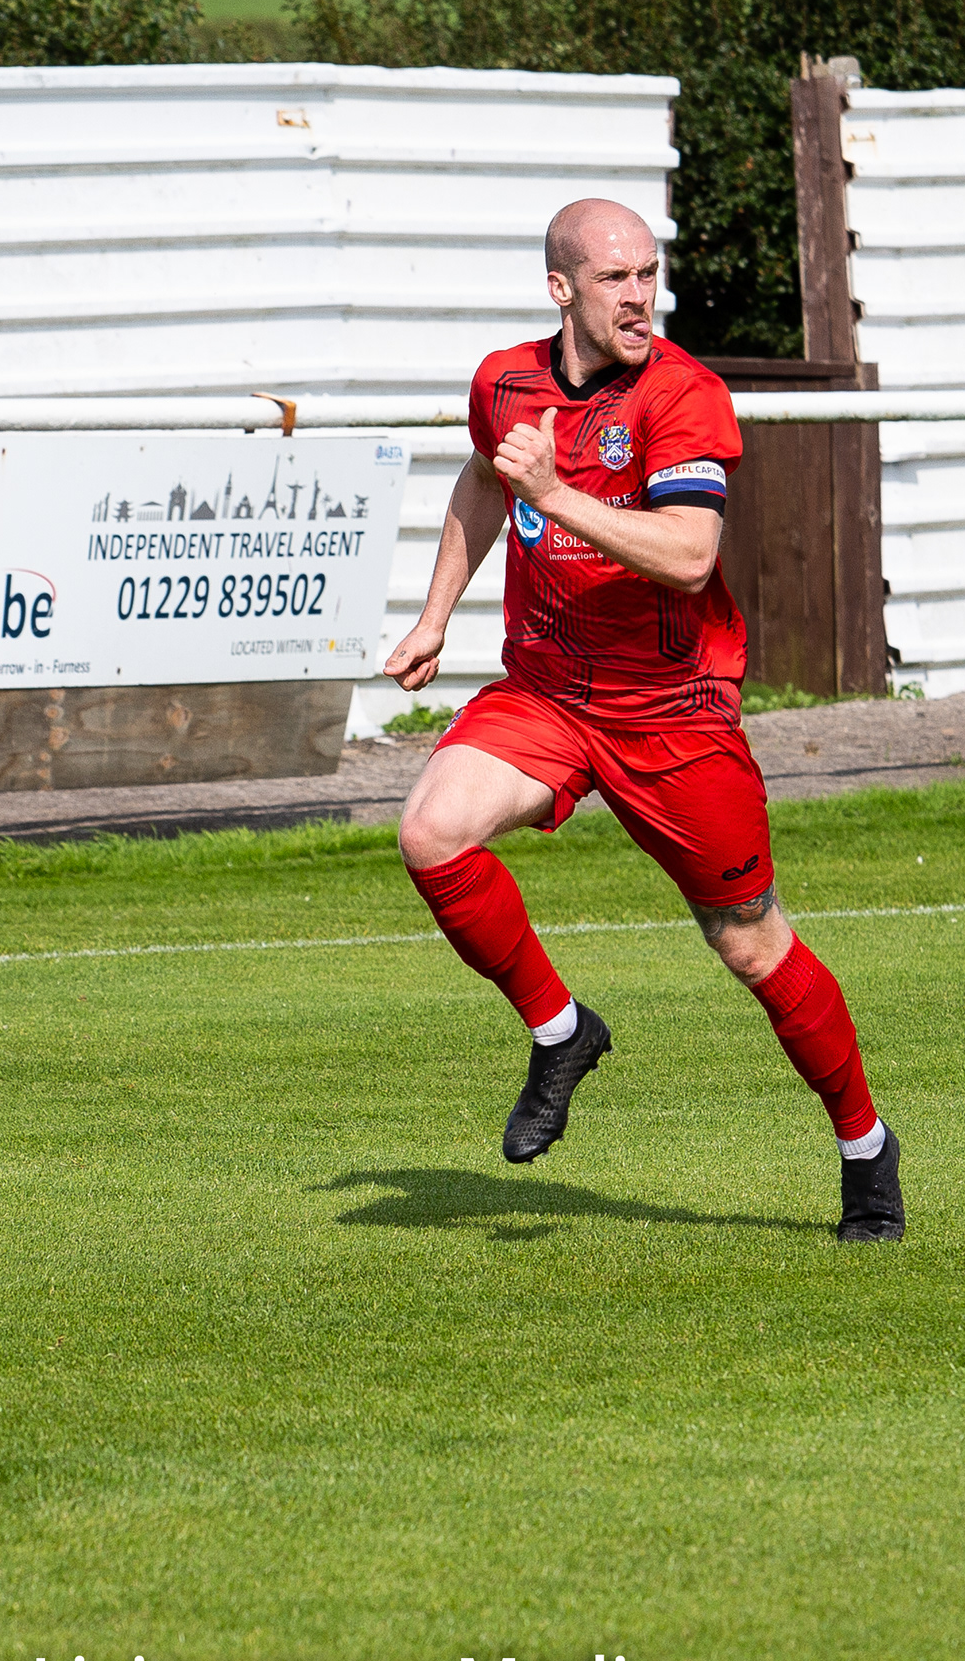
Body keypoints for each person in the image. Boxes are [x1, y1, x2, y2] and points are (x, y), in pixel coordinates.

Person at [383, 197, 905, 1243]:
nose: (639, 296)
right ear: (560, 289)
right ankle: (561, 1032)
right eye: (615, 278)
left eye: (648, 274)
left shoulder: (683, 394)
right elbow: (486, 481)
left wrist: (555, 493)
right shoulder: (504, 381)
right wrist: (435, 616)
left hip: (672, 713)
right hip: (547, 690)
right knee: (430, 833)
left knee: (750, 943)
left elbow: (689, 556)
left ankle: (865, 1147)